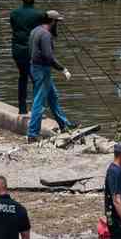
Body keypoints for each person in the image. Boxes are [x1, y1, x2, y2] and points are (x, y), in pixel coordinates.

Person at [26, 10, 74, 143]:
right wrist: (63, 69)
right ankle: (32, 134)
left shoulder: (35, 30)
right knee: (39, 103)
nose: (57, 25)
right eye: (57, 22)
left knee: (53, 97)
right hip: (42, 70)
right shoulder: (46, 35)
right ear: (52, 21)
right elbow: (49, 56)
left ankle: (65, 125)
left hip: (35, 67)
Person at [9, 0, 45, 114]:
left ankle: (22, 109)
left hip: (17, 51)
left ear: (23, 1)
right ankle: (37, 110)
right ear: (33, 1)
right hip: (32, 52)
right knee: (36, 80)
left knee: (22, 77)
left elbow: (14, 28)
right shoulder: (39, 15)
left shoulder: (13, 14)